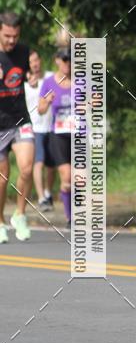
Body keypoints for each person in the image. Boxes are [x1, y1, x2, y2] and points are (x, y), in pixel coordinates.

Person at [0, 12, 34, 242]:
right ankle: (0, 220)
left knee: (27, 168)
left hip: (21, 119)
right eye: (7, 36)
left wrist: (32, 78)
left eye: (15, 36)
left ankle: (20, 215)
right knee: (2, 178)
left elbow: (30, 73)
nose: (12, 40)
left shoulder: (23, 52)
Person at [38, 47, 74, 226]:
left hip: (79, 133)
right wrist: (47, 102)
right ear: (57, 61)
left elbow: (95, 101)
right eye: (65, 59)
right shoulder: (48, 83)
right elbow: (41, 109)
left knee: (80, 179)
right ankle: (71, 218)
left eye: (71, 59)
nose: (68, 63)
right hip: (58, 134)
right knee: (67, 176)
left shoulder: (82, 80)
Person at [25, 50, 55, 210]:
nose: (35, 64)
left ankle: (48, 192)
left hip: (52, 125)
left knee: (52, 164)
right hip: (34, 127)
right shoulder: (24, 83)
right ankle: (41, 197)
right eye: (31, 62)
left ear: (40, 60)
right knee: (39, 161)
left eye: (36, 60)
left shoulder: (51, 77)